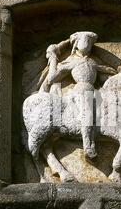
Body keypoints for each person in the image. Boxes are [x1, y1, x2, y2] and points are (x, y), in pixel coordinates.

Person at [38, 31, 116, 159]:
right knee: (87, 112)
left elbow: (106, 76)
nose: (87, 44)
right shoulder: (71, 60)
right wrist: (53, 59)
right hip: (80, 91)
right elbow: (52, 77)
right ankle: (88, 146)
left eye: (90, 43)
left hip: (95, 92)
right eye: (84, 41)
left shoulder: (93, 61)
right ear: (76, 44)